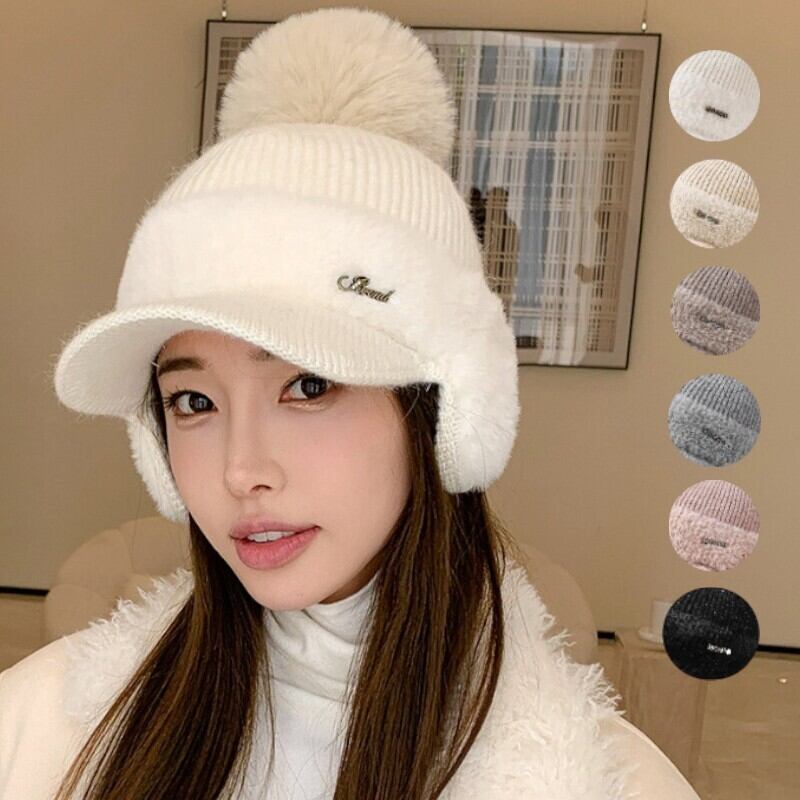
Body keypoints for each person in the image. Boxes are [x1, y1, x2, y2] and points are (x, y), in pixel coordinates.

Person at [0, 7, 701, 799]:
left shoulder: (609, 784)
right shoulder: (43, 730)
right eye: (192, 400)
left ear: (445, 415)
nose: (240, 471)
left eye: (308, 385)